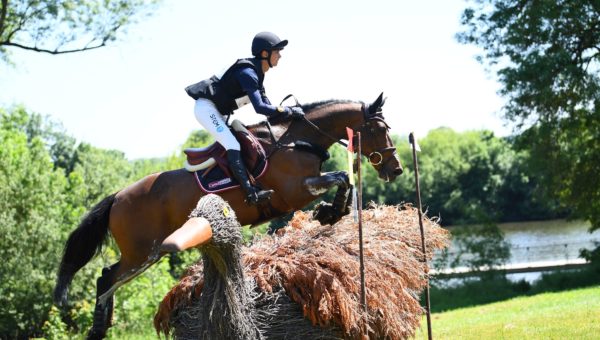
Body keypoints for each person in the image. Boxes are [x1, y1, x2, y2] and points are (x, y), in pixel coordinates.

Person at [185, 32, 305, 205]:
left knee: (244, 140)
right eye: (277, 51)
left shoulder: (257, 75)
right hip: (206, 109)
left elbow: (269, 110)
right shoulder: (248, 73)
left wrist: (291, 115)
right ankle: (250, 193)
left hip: (219, 112)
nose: (280, 55)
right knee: (232, 144)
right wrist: (289, 110)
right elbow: (260, 108)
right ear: (265, 53)